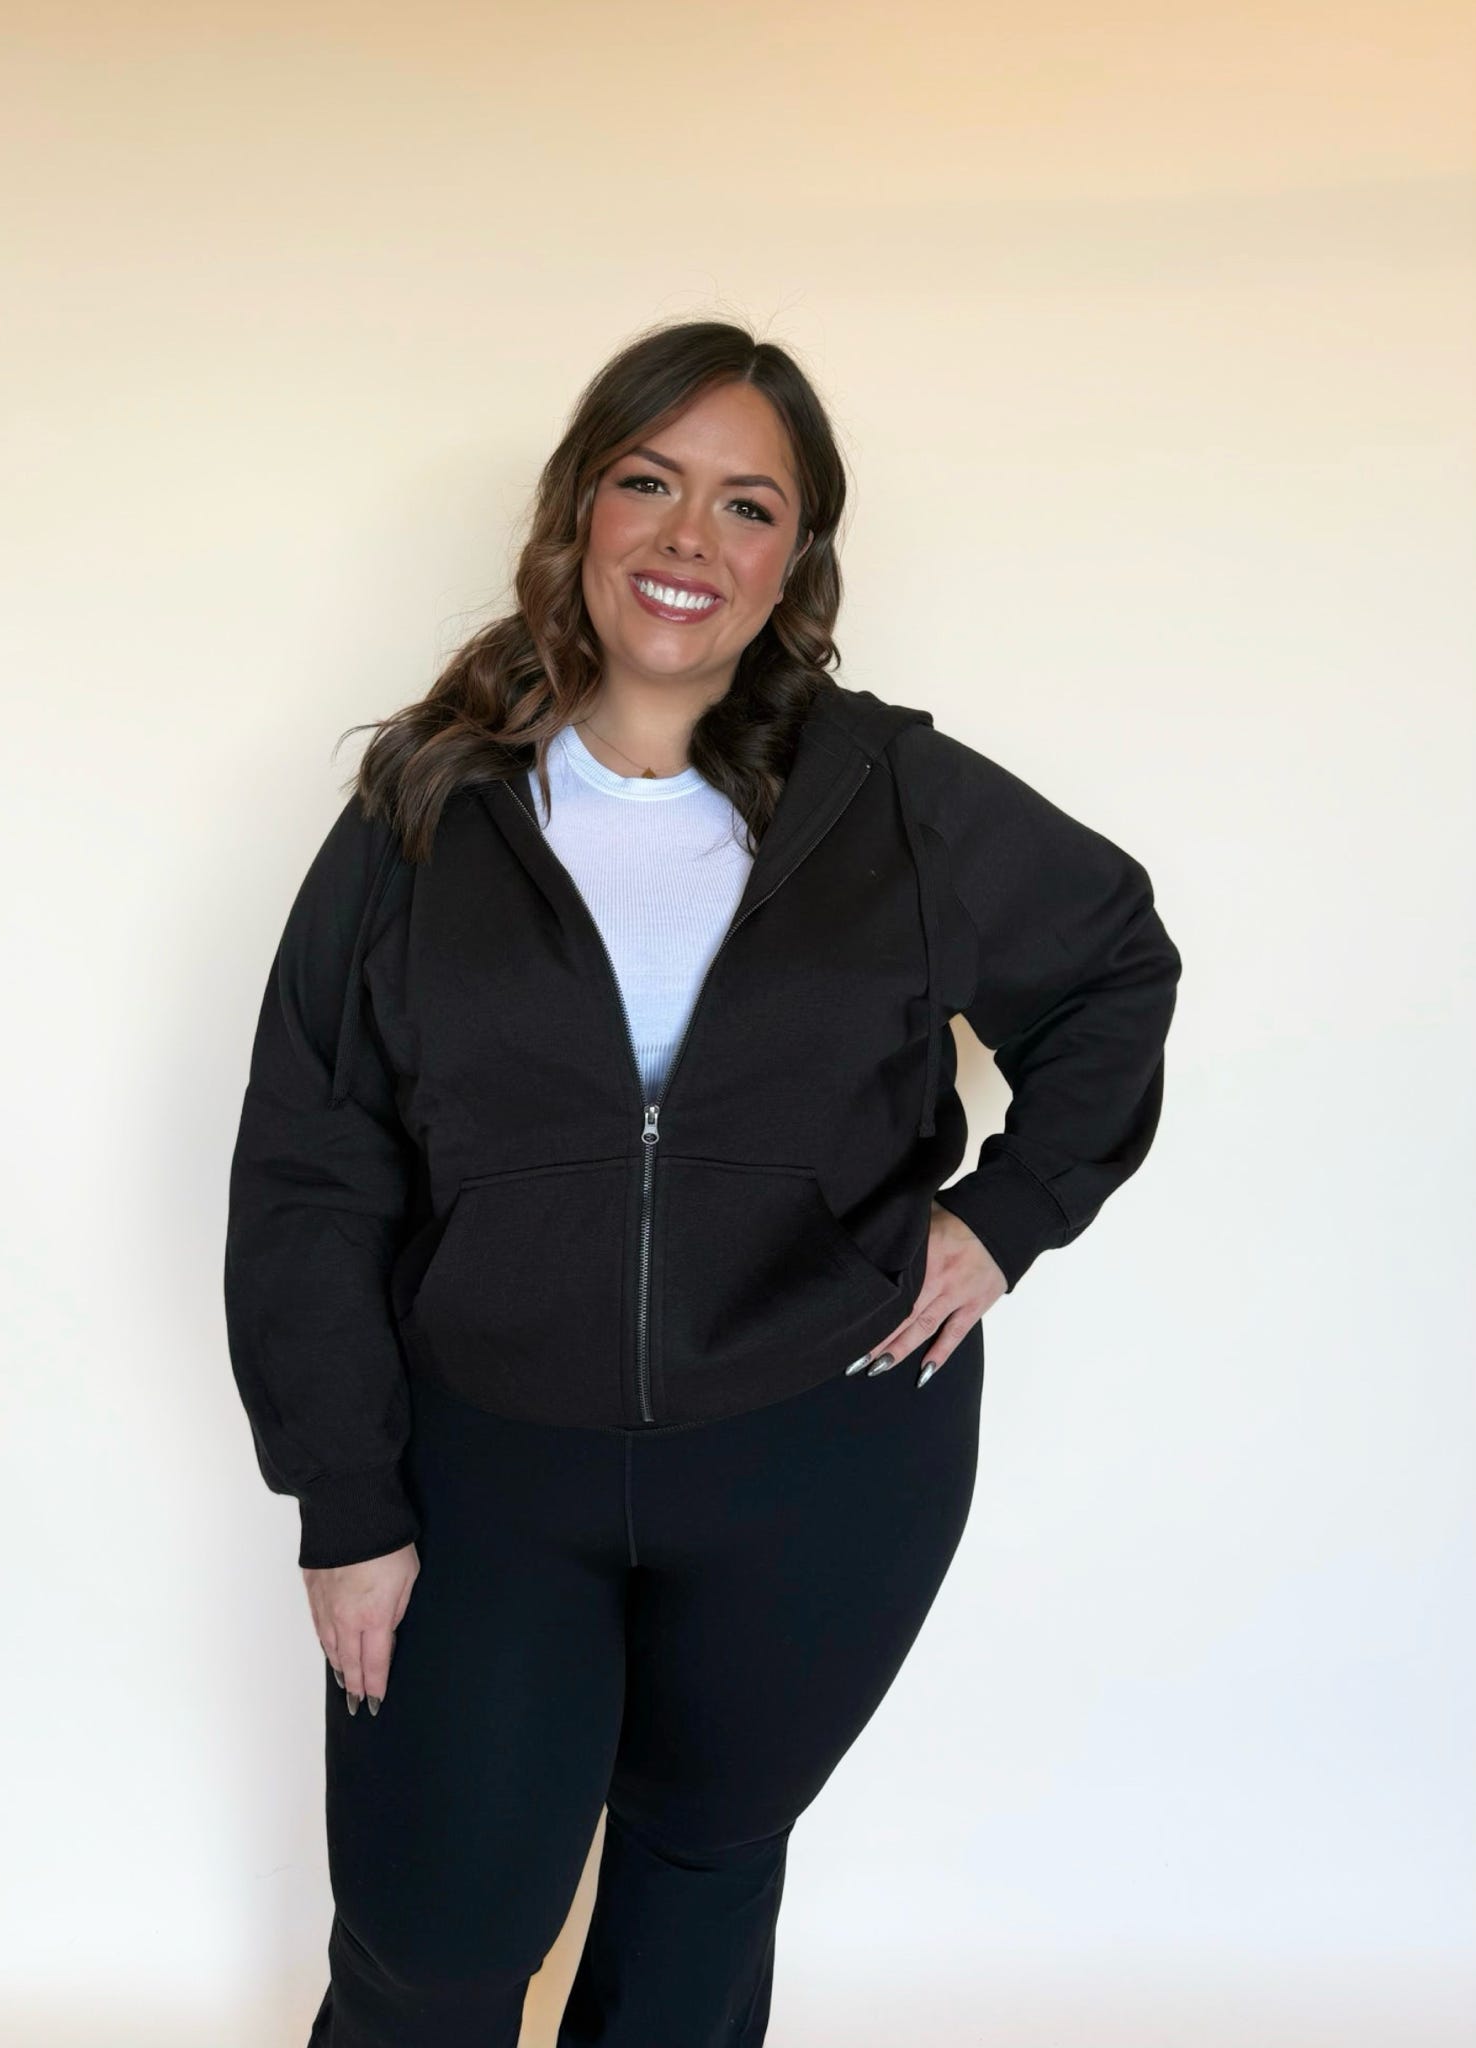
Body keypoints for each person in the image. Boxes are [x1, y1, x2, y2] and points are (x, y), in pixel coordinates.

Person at [223, 317, 1183, 2048]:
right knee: (434, 1942)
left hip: (821, 1461)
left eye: (749, 505)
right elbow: (311, 1162)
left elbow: (1116, 962)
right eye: (648, 483)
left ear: (794, 558)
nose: (690, 540)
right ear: (576, 514)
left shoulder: (891, 796)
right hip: (485, 1472)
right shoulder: (424, 812)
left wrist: (1009, 1215)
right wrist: (345, 1501)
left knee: (697, 1896)